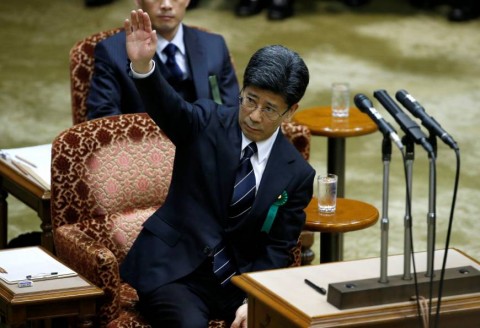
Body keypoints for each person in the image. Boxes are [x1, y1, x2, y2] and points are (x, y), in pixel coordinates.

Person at [120, 9, 316, 328]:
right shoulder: (206, 121)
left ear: (290, 111)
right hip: (175, 272)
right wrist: (143, 66)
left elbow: (277, 248)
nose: (254, 116)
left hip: (235, 284)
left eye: (269, 109)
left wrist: (255, 299)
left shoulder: (296, 174)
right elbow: (169, 108)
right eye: (250, 100)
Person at [86, 0, 239, 120]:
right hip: (143, 151)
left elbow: (232, 112)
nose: (166, 5)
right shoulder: (111, 51)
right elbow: (103, 118)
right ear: (138, 1)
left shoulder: (214, 45)